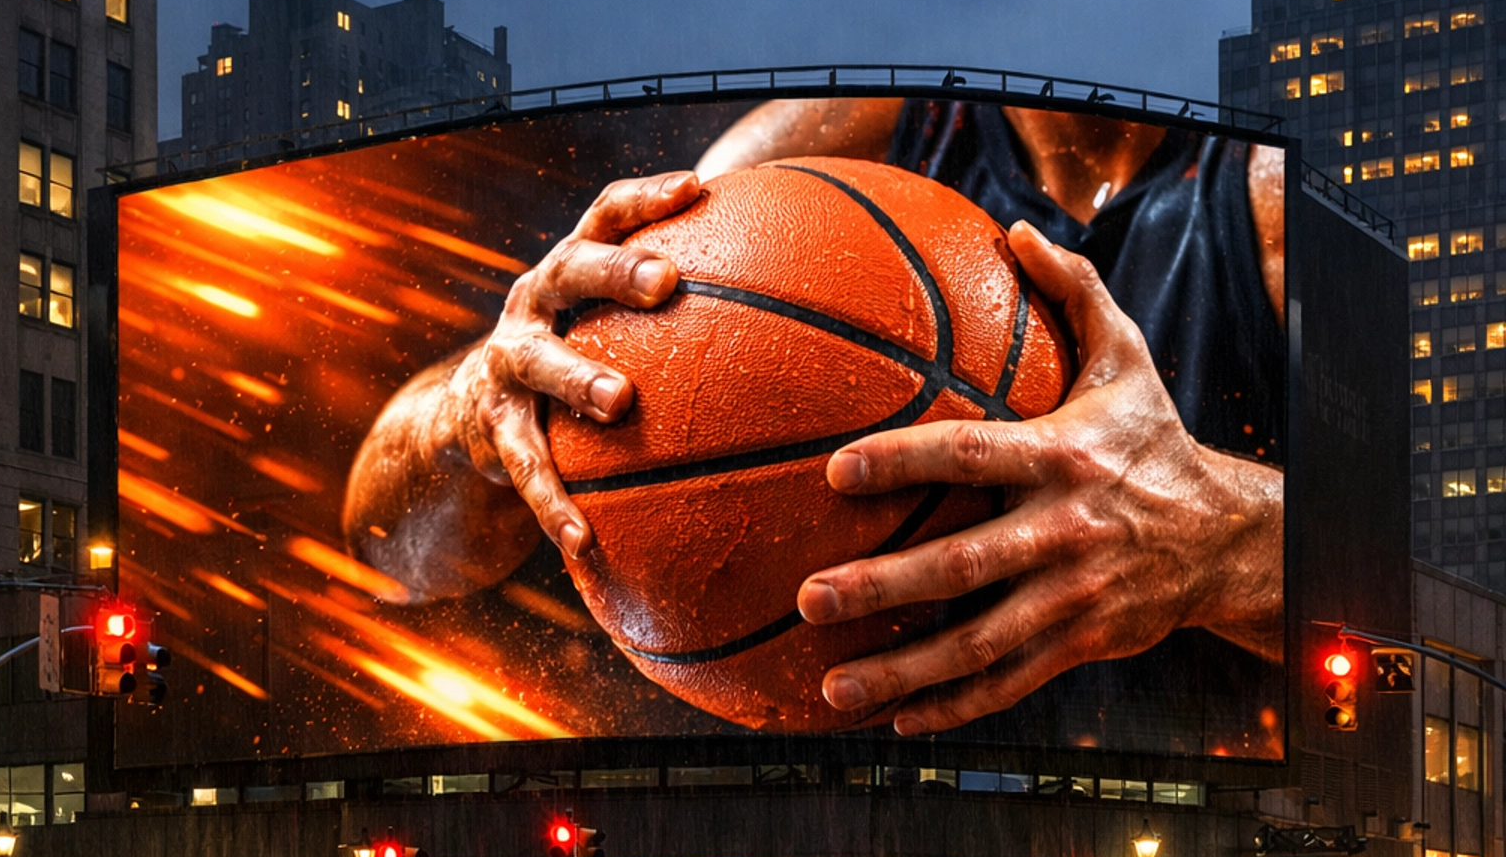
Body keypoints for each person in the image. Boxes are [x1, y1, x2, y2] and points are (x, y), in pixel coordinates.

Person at [344, 95, 1284, 737]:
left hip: (1200, 820)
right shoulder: (823, 146)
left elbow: (1422, 597)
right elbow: (383, 546)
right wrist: (473, 412)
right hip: (842, 824)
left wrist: (1219, 534)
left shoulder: (1278, 199)